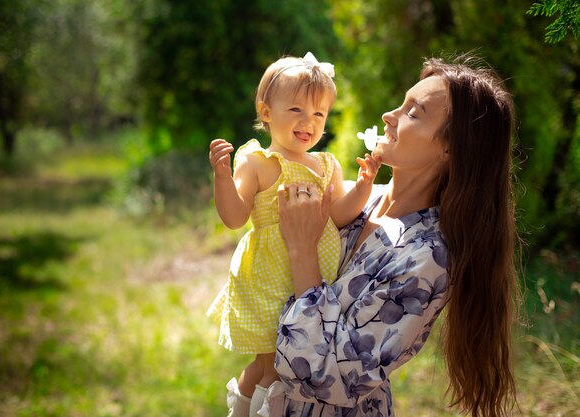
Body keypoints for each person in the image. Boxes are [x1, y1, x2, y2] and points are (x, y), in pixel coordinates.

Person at [254, 56, 519, 417]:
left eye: (414, 112)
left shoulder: (427, 257)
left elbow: (332, 379)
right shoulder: (360, 200)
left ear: (450, 147)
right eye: (402, 102)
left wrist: (302, 251)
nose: (389, 116)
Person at [207, 52, 380, 417]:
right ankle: (252, 410)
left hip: (312, 273)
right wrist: (222, 178)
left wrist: (363, 187)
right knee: (273, 365)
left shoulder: (326, 164)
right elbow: (235, 216)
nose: (308, 122)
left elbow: (337, 214)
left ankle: (244, 408)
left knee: (280, 362)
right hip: (269, 275)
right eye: (296, 110)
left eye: (319, 114)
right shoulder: (256, 162)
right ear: (266, 112)